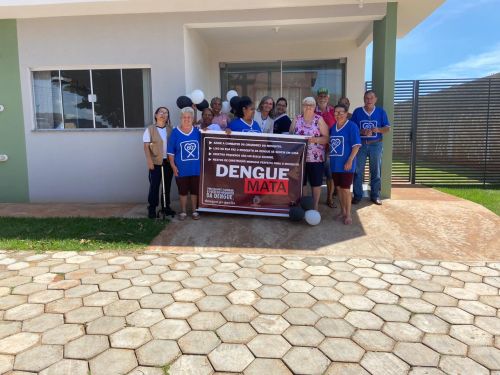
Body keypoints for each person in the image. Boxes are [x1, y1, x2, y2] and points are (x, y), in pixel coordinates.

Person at [351, 90, 391, 205]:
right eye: (367, 98)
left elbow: (387, 128)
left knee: (376, 171)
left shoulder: (381, 112)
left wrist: (378, 129)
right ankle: (357, 195)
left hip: (376, 144)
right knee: (358, 171)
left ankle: (375, 195)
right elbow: (352, 129)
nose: (369, 100)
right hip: (361, 145)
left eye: (371, 98)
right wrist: (362, 131)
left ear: (375, 99)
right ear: (364, 99)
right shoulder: (358, 112)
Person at [290, 97, 329, 211]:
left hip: (316, 158)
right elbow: (290, 135)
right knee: (302, 183)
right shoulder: (296, 119)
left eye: (311, 105)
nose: (308, 107)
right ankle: (304, 204)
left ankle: (315, 206)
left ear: (314, 107)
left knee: (316, 183)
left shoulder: (319, 119)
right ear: (302, 106)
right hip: (299, 158)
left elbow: (327, 138)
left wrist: (315, 140)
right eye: (306, 104)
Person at [167, 107, 201, 220]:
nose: (186, 119)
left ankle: (195, 211)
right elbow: (171, 152)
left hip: (195, 168)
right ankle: (183, 211)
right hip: (181, 169)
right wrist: (173, 166)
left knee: (195, 191)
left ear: (193, 118)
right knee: (182, 191)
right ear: (181, 118)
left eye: (189, 117)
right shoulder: (175, 133)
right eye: (184, 117)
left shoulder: (197, 132)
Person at [329, 104, 361, 225]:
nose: (338, 115)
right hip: (335, 164)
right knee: (338, 188)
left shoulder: (352, 126)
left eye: (341, 112)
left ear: (346, 113)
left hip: (346, 164)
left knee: (346, 190)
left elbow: (356, 146)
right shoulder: (333, 128)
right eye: (336, 112)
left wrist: (350, 160)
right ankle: (342, 211)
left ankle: (348, 215)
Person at [143, 107, 175, 219]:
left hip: (168, 162)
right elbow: (146, 146)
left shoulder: (171, 129)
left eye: (166, 113)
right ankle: (152, 208)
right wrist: (149, 161)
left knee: (167, 186)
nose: (163, 114)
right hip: (155, 162)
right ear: (156, 115)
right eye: (161, 112)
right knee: (154, 186)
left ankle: (166, 207)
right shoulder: (150, 129)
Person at [315, 87, 336, 208]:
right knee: (315, 174)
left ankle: (329, 198)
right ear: (317, 98)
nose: (322, 98)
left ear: (328, 98)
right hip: (316, 148)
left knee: (330, 175)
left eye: (325, 96)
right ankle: (314, 200)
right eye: (320, 96)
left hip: (330, 148)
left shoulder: (333, 111)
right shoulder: (312, 110)